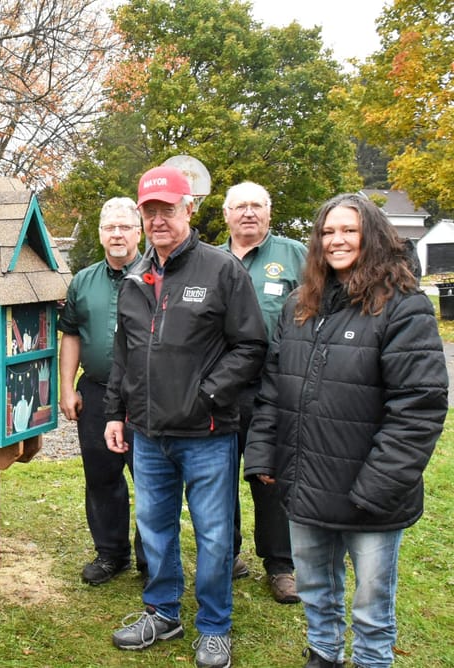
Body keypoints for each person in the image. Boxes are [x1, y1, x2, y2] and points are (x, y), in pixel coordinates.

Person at [244, 194, 447, 668]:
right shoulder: (299, 305)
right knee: (316, 588)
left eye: (349, 230)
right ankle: (324, 653)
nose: (337, 240)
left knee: (371, 606)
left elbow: (418, 409)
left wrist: (378, 486)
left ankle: (372, 660)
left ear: (371, 236)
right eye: (328, 232)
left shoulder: (403, 307)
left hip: (370, 493)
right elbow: (274, 388)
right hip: (307, 482)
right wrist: (264, 454)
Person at [103, 166, 267, 668]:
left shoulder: (222, 270)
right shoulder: (134, 277)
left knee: (214, 535)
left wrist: (208, 395)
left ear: (189, 209)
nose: (157, 220)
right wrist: (115, 412)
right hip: (148, 433)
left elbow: (251, 345)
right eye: (149, 211)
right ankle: (163, 611)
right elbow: (124, 352)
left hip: (206, 433)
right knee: (154, 527)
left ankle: (214, 626)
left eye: (167, 210)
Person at [218, 181, 306, 604]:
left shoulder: (295, 256)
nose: (248, 212)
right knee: (218, 479)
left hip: (275, 391)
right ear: (226, 215)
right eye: (240, 206)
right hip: (220, 391)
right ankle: (227, 555)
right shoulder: (209, 260)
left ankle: (281, 566)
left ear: (269, 213)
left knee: (272, 479)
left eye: (257, 205)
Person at [58, 197, 146, 586]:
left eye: (125, 227)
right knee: (101, 476)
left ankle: (152, 560)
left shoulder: (157, 275)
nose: (117, 234)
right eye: (110, 227)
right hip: (95, 393)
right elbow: (71, 334)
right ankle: (111, 554)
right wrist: (67, 387)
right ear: (99, 234)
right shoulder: (83, 281)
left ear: (138, 232)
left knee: (151, 480)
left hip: (145, 397)